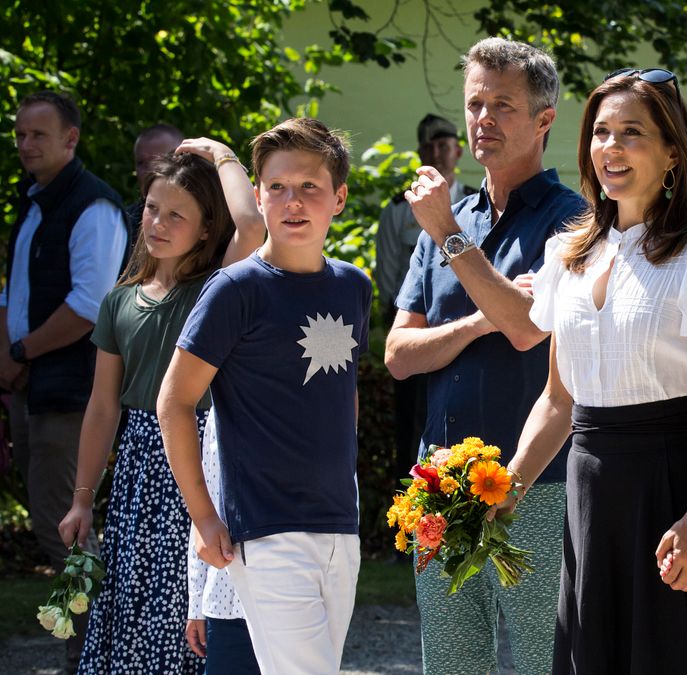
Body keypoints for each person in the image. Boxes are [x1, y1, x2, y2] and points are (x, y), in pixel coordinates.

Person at [494, 69, 687, 673]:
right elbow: (558, 401)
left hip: (672, 490)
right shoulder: (565, 256)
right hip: (590, 490)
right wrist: (505, 488)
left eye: (631, 133)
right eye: (600, 132)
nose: (611, 148)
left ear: (673, 152)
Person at [385, 37, 585, 675]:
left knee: (541, 662)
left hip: (536, 483)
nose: (483, 120)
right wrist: (478, 320)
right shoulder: (453, 215)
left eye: (503, 105)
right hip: (437, 484)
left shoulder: (572, 220)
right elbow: (397, 355)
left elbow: (527, 329)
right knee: (450, 664)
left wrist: (445, 235)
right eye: (475, 104)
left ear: (544, 120)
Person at [159, 117, 372, 675]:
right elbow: (174, 402)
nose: (292, 201)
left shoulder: (354, 286)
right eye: (276, 187)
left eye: (309, 187)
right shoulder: (235, 289)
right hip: (266, 528)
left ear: (340, 197)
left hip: (340, 529)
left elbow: (341, 392)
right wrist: (204, 518)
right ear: (257, 194)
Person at [57, 141, 264, 673]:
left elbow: (252, 227)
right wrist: (82, 499)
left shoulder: (216, 289)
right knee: (131, 598)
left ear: (203, 229)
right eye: (152, 207)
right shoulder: (119, 301)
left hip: (203, 462)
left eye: (178, 214)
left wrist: (223, 157)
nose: (159, 222)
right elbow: (103, 409)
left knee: (189, 605)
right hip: (139, 472)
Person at [1, 91, 128, 670]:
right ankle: (93, 648)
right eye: (21, 134)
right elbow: (16, 294)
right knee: (55, 523)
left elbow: (89, 306)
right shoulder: (32, 203)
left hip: (71, 391)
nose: (26, 145)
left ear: (71, 139)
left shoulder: (92, 206)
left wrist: (21, 351)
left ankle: (100, 648)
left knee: (66, 527)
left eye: (39, 135)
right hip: (31, 388)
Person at [376, 113, 475, 474]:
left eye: (444, 145)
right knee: (414, 431)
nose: (438, 152)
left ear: (458, 151)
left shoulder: (474, 206)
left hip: (472, 332)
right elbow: (388, 278)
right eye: (430, 146)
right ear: (419, 152)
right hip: (417, 333)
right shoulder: (398, 211)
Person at [185, 413, 259, 674]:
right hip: (229, 599)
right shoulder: (223, 409)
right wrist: (196, 604)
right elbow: (208, 504)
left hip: (296, 596)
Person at [126, 124, 185, 246]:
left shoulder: (209, 218)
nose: (148, 171)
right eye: (141, 163)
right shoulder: (126, 222)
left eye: (157, 161)